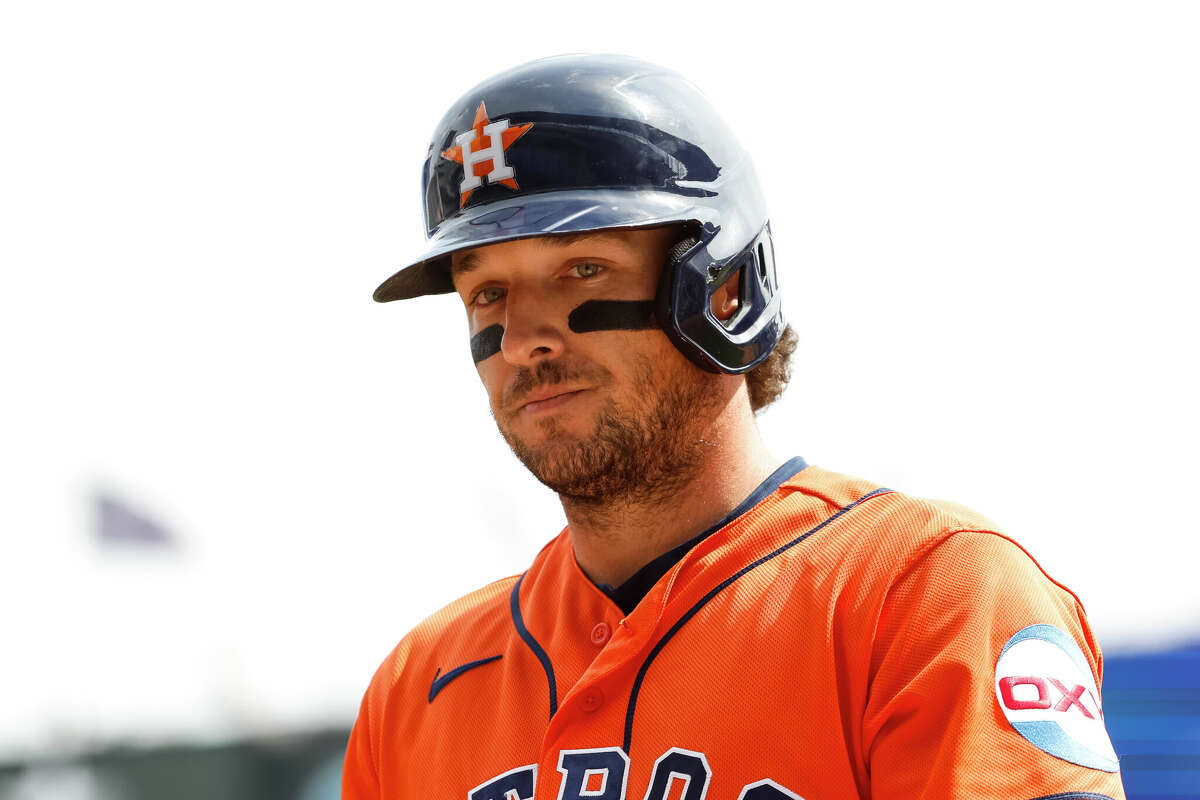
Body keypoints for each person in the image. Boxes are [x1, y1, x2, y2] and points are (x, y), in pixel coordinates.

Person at [342, 54, 1126, 800]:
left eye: (582, 269)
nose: (522, 340)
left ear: (722, 289)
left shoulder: (920, 596)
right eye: (487, 295)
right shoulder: (421, 684)